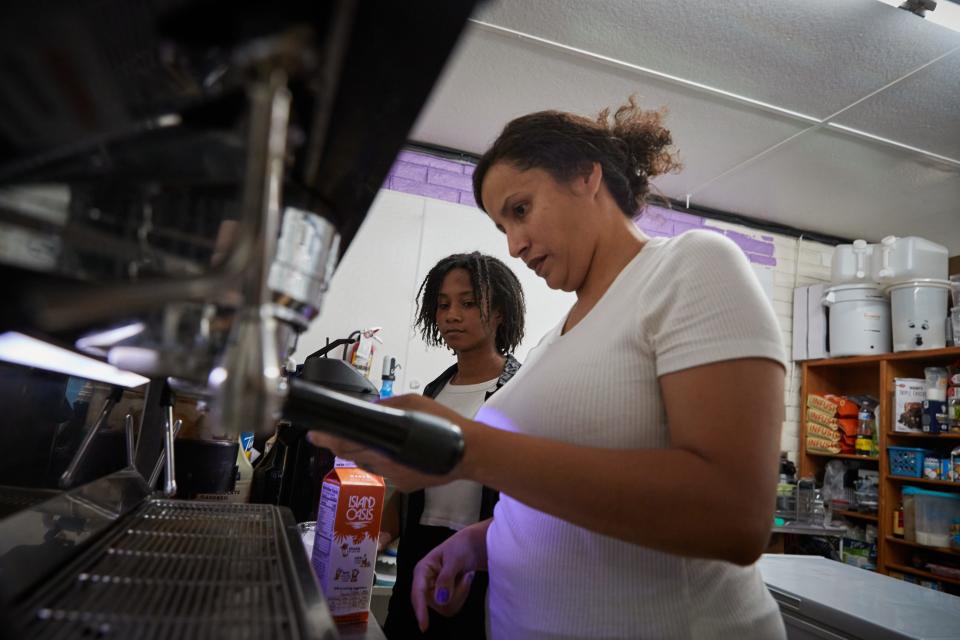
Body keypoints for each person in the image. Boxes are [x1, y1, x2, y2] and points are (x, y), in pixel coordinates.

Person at [308, 97, 787, 639]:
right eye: (501, 227)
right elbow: (573, 500)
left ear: (586, 177)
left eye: (520, 209)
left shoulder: (689, 266)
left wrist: (463, 449)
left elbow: (733, 516)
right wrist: (484, 539)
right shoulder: (553, 343)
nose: (514, 245)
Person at [380, 252, 525, 639]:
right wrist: (378, 534)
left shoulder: (519, 391)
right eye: (443, 305)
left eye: (468, 303)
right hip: (419, 552)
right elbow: (415, 489)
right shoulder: (434, 392)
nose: (452, 315)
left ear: (499, 313)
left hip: (483, 560)